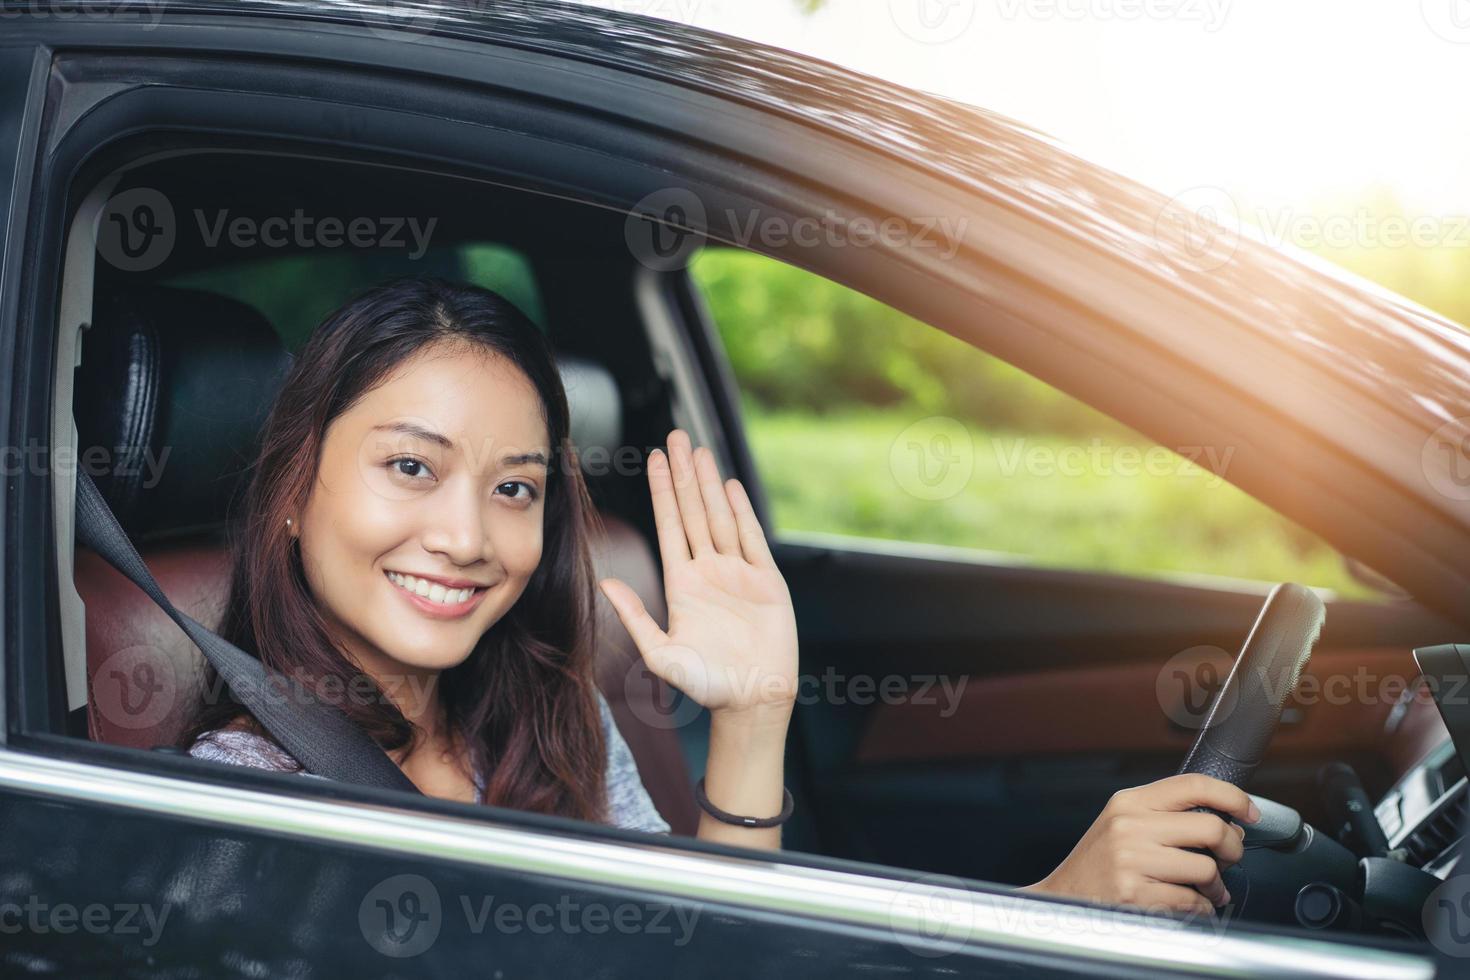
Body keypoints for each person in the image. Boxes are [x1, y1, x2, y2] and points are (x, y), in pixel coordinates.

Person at [182, 275, 1255, 910]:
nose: (466, 536)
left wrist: (750, 717)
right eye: (410, 467)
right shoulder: (240, 802)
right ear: (291, 487)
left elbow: (706, 947)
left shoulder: (553, 716)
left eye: (514, 486)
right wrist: (1048, 914)